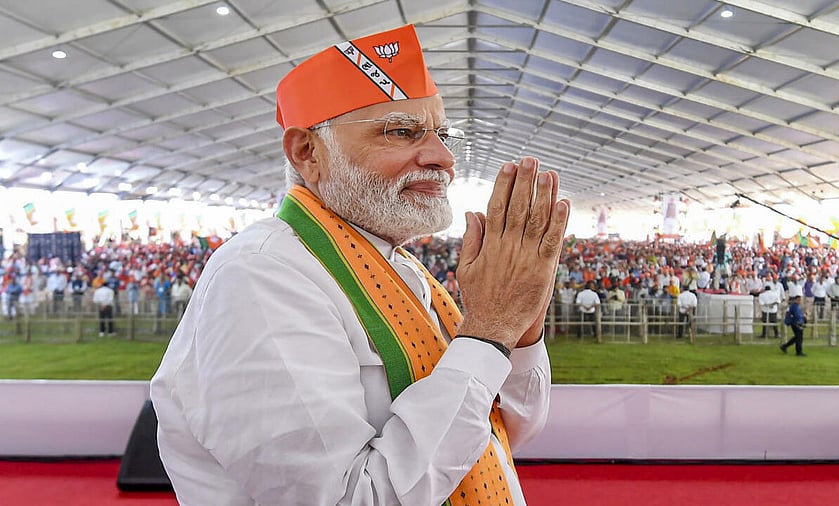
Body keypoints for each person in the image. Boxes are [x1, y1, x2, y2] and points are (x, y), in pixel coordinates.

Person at [150, 24, 569, 506]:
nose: (442, 157)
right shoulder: (258, 276)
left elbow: (496, 433)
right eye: (402, 131)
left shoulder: (403, 270)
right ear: (307, 152)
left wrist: (520, 330)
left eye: (442, 134)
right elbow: (352, 498)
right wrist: (488, 332)